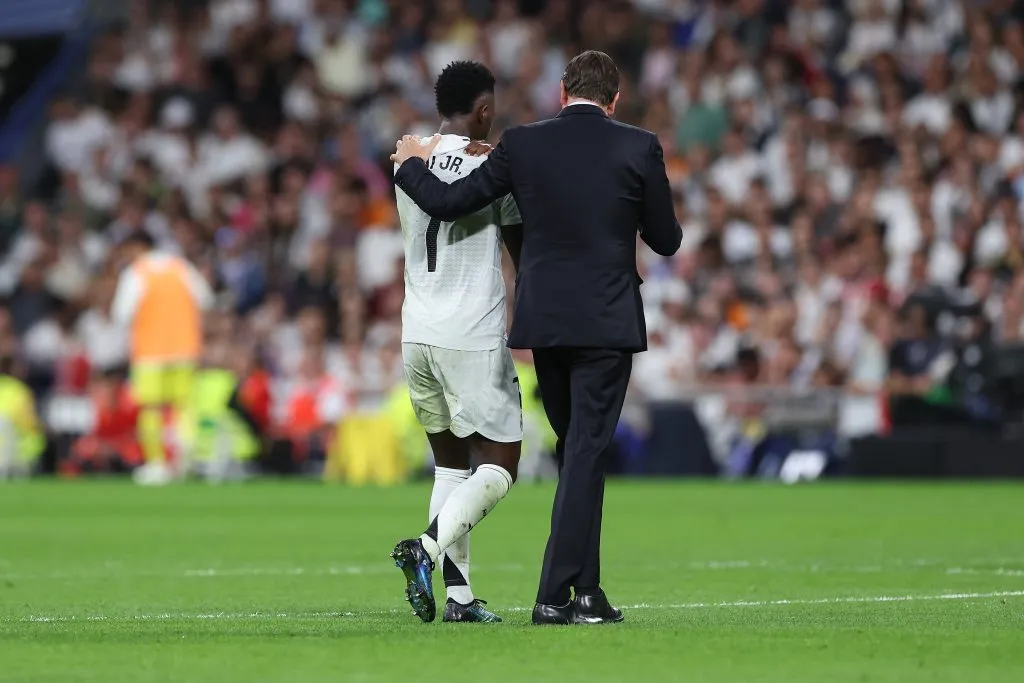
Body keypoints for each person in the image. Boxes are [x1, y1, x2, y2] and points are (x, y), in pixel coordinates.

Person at [391, 51, 682, 625]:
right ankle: (552, 597)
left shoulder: (522, 145)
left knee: (579, 455)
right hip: (604, 319)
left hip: (543, 322)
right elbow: (667, 239)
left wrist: (405, 162)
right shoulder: (638, 146)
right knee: (581, 454)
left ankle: (587, 594)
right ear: (614, 100)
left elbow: (449, 201)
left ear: (561, 91)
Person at [389, 61, 524, 624]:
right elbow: (522, 250)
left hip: (416, 331)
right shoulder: (496, 166)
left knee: (450, 465)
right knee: (501, 464)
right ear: (485, 109)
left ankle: (462, 600)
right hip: (470, 335)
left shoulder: (406, 156)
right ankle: (424, 547)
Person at [111, 230, 214, 485]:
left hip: (150, 354)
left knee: (151, 409)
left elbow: (121, 313)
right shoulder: (181, 268)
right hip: (185, 351)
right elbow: (206, 300)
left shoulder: (136, 273)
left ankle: (156, 464)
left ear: (137, 247)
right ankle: (185, 460)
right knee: (184, 408)